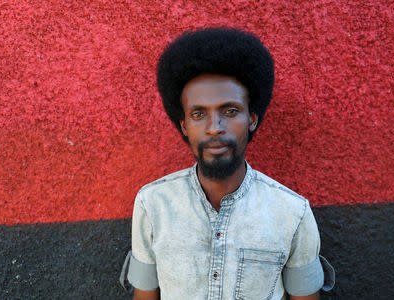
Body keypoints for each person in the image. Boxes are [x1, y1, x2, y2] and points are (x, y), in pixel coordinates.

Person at [120, 27, 334, 300]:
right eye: (199, 114)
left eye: (230, 111)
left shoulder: (292, 214)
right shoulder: (152, 205)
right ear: (184, 125)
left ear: (252, 118)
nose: (214, 128)